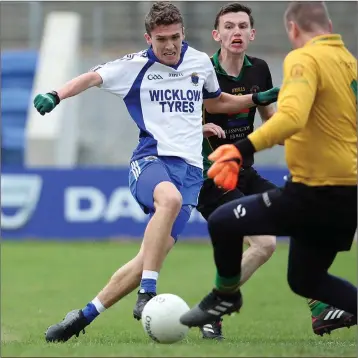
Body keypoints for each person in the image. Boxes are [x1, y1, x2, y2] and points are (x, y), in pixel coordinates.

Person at [33, 2, 279, 343]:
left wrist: (256, 99)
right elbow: (91, 77)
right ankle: (148, 291)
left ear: (183, 34)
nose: (169, 45)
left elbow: (215, 101)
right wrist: (55, 94)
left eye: (175, 37)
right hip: (151, 162)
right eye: (161, 38)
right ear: (148, 38)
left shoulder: (197, 63)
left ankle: (81, 317)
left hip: (191, 174)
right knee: (169, 199)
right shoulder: (133, 67)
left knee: (146, 258)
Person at [180, 1, 357, 336]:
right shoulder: (203, 71)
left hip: (246, 169)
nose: (236, 32)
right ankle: (216, 313)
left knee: (292, 251)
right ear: (216, 35)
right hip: (213, 174)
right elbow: (203, 109)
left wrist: (291, 138)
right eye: (229, 26)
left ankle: (313, 306)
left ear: (253, 33)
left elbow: (278, 122)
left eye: (243, 26)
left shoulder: (260, 69)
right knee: (266, 244)